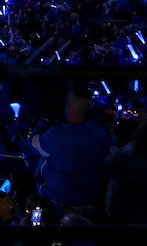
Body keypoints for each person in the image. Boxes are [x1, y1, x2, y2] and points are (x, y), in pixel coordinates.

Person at [36, 84, 115, 212]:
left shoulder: (56, 135)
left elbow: (33, 142)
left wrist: (45, 120)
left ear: (70, 106)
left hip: (56, 201)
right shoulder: (101, 134)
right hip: (90, 204)